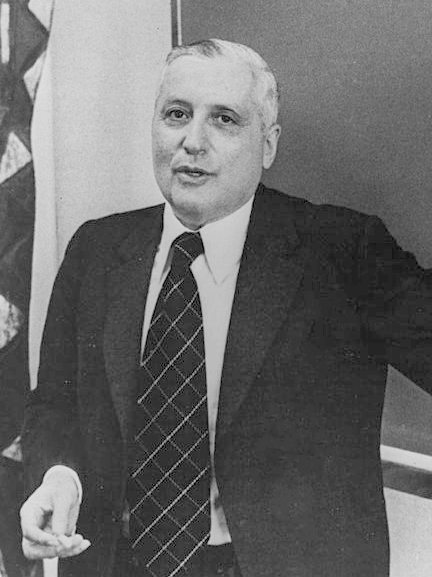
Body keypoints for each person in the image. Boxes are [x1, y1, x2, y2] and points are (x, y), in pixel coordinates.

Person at [19, 38, 432, 577]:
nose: (193, 141)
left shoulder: (343, 252)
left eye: (224, 120)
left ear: (268, 144)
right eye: (176, 114)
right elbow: (54, 403)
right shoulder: (96, 250)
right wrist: (59, 475)